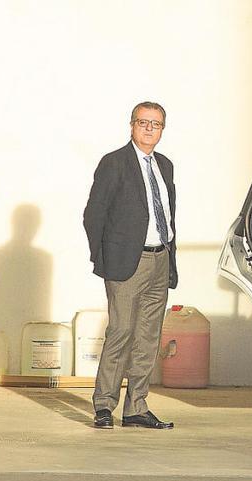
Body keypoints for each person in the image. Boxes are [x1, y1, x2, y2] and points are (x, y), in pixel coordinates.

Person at [83, 101, 177, 430]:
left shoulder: (164, 165)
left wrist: (170, 255)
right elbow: (93, 215)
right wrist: (103, 257)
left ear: (163, 129)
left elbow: (167, 212)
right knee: (121, 331)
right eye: (143, 122)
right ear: (132, 125)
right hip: (126, 263)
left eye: (157, 124)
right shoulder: (114, 163)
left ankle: (136, 406)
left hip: (159, 259)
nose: (150, 128)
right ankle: (104, 405)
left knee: (148, 337)